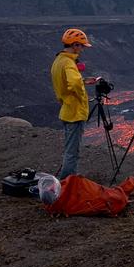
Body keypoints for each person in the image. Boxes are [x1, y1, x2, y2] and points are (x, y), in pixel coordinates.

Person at [50, 28, 98, 179]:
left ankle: (68, 179)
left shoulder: (59, 60)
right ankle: (67, 183)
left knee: (70, 149)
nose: (82, 50)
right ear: (75, 44)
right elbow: (74, 84)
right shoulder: (69, 63)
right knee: (73, 152)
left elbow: (66, 83)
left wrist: (83, 81)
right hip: (75, 113)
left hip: (66, 110)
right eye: (82, 46)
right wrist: (82, 94)